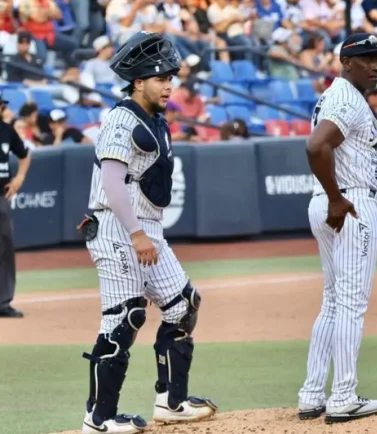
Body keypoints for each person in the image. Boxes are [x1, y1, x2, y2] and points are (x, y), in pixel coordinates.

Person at [79, 31, 217, 434]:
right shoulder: (122, 119)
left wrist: (144, 234)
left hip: (146, 229)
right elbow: (111, 182)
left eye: (171, 77)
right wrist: (137, 234)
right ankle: (98, 418)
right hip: (117, 228)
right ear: (138, 81)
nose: (169, 84)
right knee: (124, 318)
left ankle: (171, 402)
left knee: (182, 306)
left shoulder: (156, 118)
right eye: (160, 78)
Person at [298, 33, 377, 424]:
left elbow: (340, 151)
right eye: (366, 58)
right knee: (351, 303)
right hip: (349, 204)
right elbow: (316, 146)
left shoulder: (341, 96)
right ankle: (343, 395)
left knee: (333, 300)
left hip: (338, 198)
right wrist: (337, 198)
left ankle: (312, 394)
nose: (376, 64)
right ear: (345, 62)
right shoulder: (345, 97)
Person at [0, 91, 31, 319]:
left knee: (4, 249)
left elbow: (24, 154)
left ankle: (3, 302)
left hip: (1, 197)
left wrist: (19, 178)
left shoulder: (6, 130)